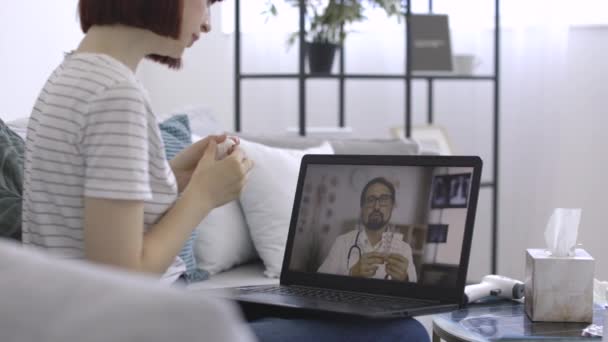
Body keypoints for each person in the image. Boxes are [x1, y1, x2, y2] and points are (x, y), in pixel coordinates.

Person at [21, 1, 429, 340]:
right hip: (140, 325)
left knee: (360, 316)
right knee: (404, 333)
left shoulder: (72, 76)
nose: (208, 22)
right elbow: (121, 276)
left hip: (104, 318)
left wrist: (176, 174)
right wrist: (203, 195)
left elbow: (92, 215)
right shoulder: (116, 95)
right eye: (208, 2)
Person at [318, 177, 417, 282]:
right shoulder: (342, 243)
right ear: (362, 208)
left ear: (392, 207)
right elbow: (318, 283)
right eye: (370, 200)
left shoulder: (404, 249)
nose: (377, 207)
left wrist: (405, 279)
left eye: (383, 200)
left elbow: (414, 294)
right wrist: (351, 273)